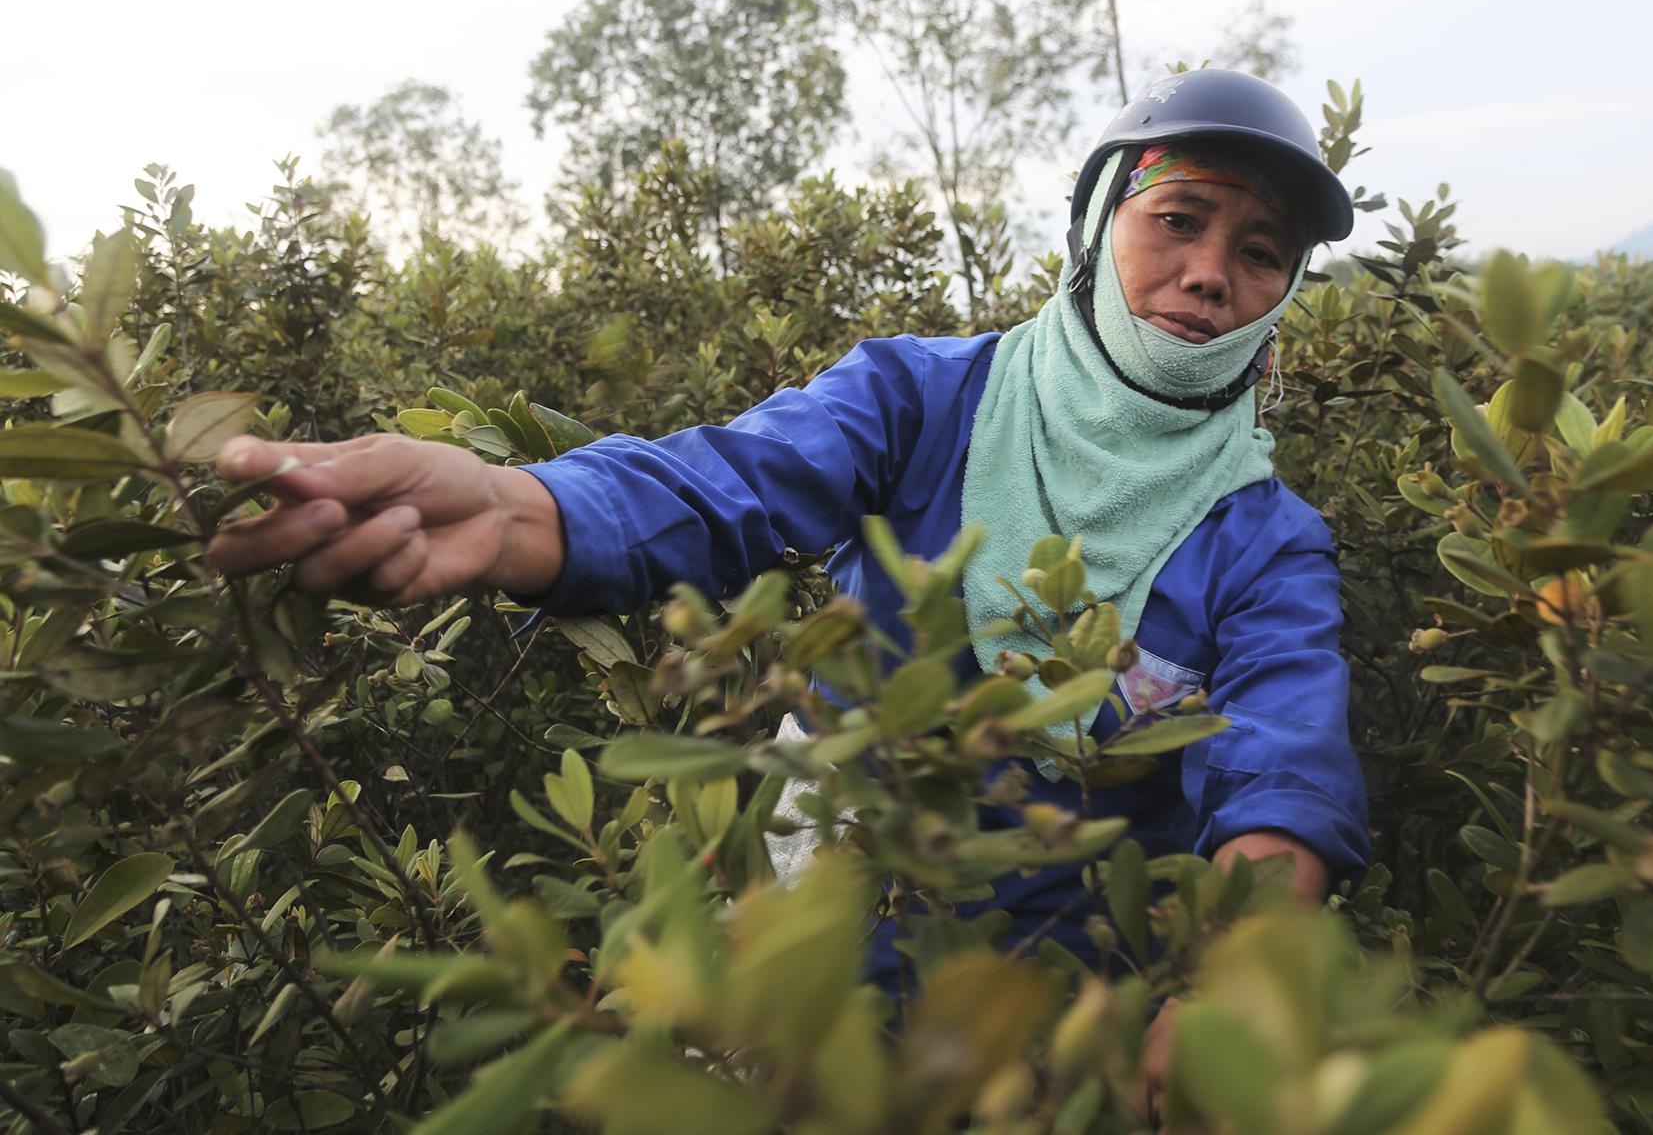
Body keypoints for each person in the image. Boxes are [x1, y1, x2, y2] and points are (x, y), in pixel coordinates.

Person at [208, 69, 1368, 1102]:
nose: (1210, 274)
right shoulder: (921, 400)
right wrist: (515, 506)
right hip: (819, 953)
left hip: (1059, 1019)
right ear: (1094, 224)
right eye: (1177, 219)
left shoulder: (1267, 540)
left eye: (1261, 250)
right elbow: (717, 486)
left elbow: (1284, 772)